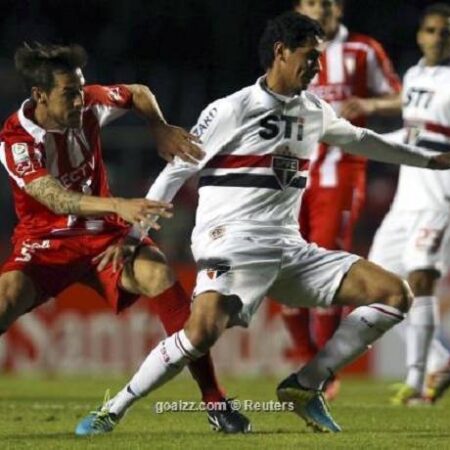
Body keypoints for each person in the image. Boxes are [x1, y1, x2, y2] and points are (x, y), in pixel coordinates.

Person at [76, 11, 450, 435]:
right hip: (230, 243)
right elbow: (177, 171)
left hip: (289, 247)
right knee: (199, 334)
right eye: (309, 57)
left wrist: (432, 160)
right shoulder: (232, 109)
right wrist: (134, 234)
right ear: (280, 52)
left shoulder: (314, 111)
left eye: (320, 58)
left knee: (392, 293)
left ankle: (306, 386)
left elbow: (365, 141)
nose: (316, 66)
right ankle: (114, 409)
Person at [0, 43, 250, 434]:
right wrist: (118, 203)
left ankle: (215, 400)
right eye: (70, 93)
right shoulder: (17, 140)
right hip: (46, 241)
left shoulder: (89, 105)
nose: (81, 100)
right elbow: (54, 197)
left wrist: (159, 127)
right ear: (40, 96)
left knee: (159, 275)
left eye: (81, 89)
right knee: (5, 298)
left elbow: (137, 92)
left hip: (103, 236)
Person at [281, 1, 402, 399]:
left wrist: (369, 105)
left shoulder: (362, 50)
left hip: (341, 173)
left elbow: (402, 97)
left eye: (329, 2)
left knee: (328, 263)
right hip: (291, 175)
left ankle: (325, 370)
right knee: (281, 265)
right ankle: (304, 354)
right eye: (314, 3)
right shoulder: (289, 51)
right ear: (301, 8)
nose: (322, 10)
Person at [369, 3, 450, 405]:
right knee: (376, 287)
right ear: (421, 35)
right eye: (432, 30)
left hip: (440, 198)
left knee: (420, 281)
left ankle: (417, 382)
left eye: (445, 32)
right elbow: (415, 133)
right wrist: (367, 142)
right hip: (405, 198)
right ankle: (440, 360)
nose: (438, 37)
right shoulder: (416, 75)